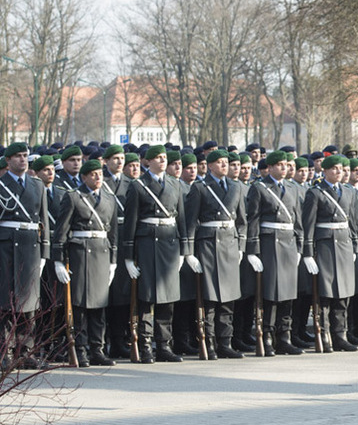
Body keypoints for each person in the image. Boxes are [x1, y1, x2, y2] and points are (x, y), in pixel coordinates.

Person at [121, 145, 190, 364]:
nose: (162, 161)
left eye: (164, 158)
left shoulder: (174, 184)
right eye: (157, 158)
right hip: (147, 243)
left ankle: (163, 345)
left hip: (169, 245)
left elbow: (182, 220)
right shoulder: (138, 185)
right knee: (147, 298)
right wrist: (129, 256)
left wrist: (184, 250)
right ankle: (145, 345)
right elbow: (130, 222)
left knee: (167, 299)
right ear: (147, 162)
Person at [52, 159, 119, 367]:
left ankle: (97, 349)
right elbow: (61, 231)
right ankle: (79, 349)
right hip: (80, 253)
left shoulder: (109, 199)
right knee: (80, 305)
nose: (98, 177)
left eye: (100, 174)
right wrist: (58, 261)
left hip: (101, 253)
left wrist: (113, 261)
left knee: (99, 305)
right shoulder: (73, 197)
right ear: (83, 178)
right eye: (93, 174)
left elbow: (113, 233)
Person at [183, 149, 248, 359]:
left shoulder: (236, 187)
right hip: (208, 244)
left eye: (226, 162)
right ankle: (208, 342)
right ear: (210, 166)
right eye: (219, 162)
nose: (224, 166)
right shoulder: (200, 188)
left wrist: (241, 247)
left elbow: (242, 221)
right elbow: (190, 221)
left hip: (229, 243)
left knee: (228, 297)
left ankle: (225, 342)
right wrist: (189, 252)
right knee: (210, 298)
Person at [245, 150, 305, 356]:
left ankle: (284, 337)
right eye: (279, 165)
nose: (284, 168)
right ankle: (267, 336)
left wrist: (300, 247)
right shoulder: (260, 188)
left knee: (288, 293)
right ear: (269, 168)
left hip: (288, 244)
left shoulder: (292, 188)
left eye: (285, 164)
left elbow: (297, 220)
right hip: (269, 243)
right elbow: (252, 220)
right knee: (270, 294)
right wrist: (253, 250)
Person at [301, 154, 358, 352]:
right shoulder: (316, 193)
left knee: (343, 293)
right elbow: (308, 225)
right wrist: (308, 253)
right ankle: (324, 334)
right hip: (324, 246)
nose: (338, 172)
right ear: (324, 171)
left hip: (344, 245)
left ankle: (340, 334)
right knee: (325, 294)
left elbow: (353, 223)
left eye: (341, 169)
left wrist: (355, 248)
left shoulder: (349, 192)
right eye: (333, 168)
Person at [0, 143, 51, 369]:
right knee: (6, 302)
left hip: (31, 246)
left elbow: (43, 221)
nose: (23, 160)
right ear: (8, 160)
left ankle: (26, 351)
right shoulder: (2, 185)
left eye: (25, 156)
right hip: (7, 247)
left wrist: (45, 251)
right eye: (18, 156)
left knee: (29, 302)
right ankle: (5, 351)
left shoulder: (37, 185)